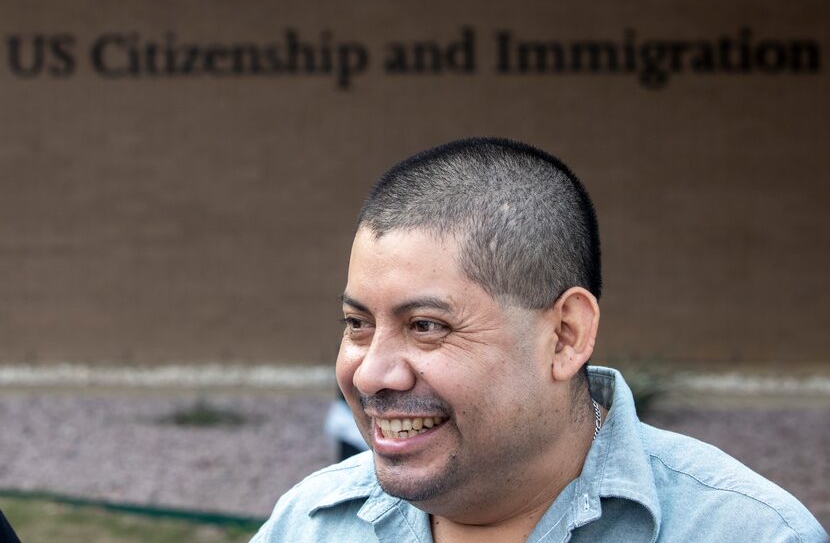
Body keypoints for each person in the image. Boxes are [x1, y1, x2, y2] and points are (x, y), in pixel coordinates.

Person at [251, 138, 827, 542]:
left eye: (426, 326)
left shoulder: (745, 532)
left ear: (566, 336)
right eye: (358, 324)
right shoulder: (310, 524)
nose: (372, 374)